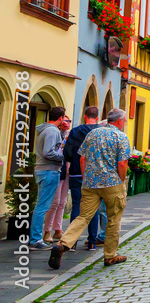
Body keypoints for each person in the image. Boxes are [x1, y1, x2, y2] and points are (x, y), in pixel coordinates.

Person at [49, 108, 131, 269]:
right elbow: (122, 163)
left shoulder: (92, 134)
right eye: (125, 120)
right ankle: (110, 256)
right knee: (113, 219)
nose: (125, 122)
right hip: (112, 183)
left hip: (90, 183)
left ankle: (63, 244)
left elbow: (82, 158)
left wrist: (86, 177)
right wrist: (121, 181)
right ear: (119, 121)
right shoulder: (121, 137)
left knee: (83, 216)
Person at [62, 106, 102, 251]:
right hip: (95, 175)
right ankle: (92, 241)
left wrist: (73, 161)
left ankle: (72, 242)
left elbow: (67, 153)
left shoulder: (75, 131)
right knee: (93, 208)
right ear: (97, 117)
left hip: (76, 173)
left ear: (85, 116)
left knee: (77, 207)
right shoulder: (101, 132)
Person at [29, 106, 67, 251]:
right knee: (42, 206)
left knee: (41, 205)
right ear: (60, 118)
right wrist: (63, 156)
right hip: (49, 170)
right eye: (63, 118)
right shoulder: (51, 131)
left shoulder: (46, 129)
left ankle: (36, 237)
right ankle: (36, 239)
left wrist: (62, 132)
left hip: (44, 170)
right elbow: (49, 152)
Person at [42, 115, 72, 245]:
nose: (67, 123)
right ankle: (47, 230)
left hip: (67, 170)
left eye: (69, 121)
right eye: (65, 120)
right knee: (54, 202)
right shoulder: (55, 133)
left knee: (62, 202)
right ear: (59, 121)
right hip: (56, 169)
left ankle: (58, 229)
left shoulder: (70, 135)